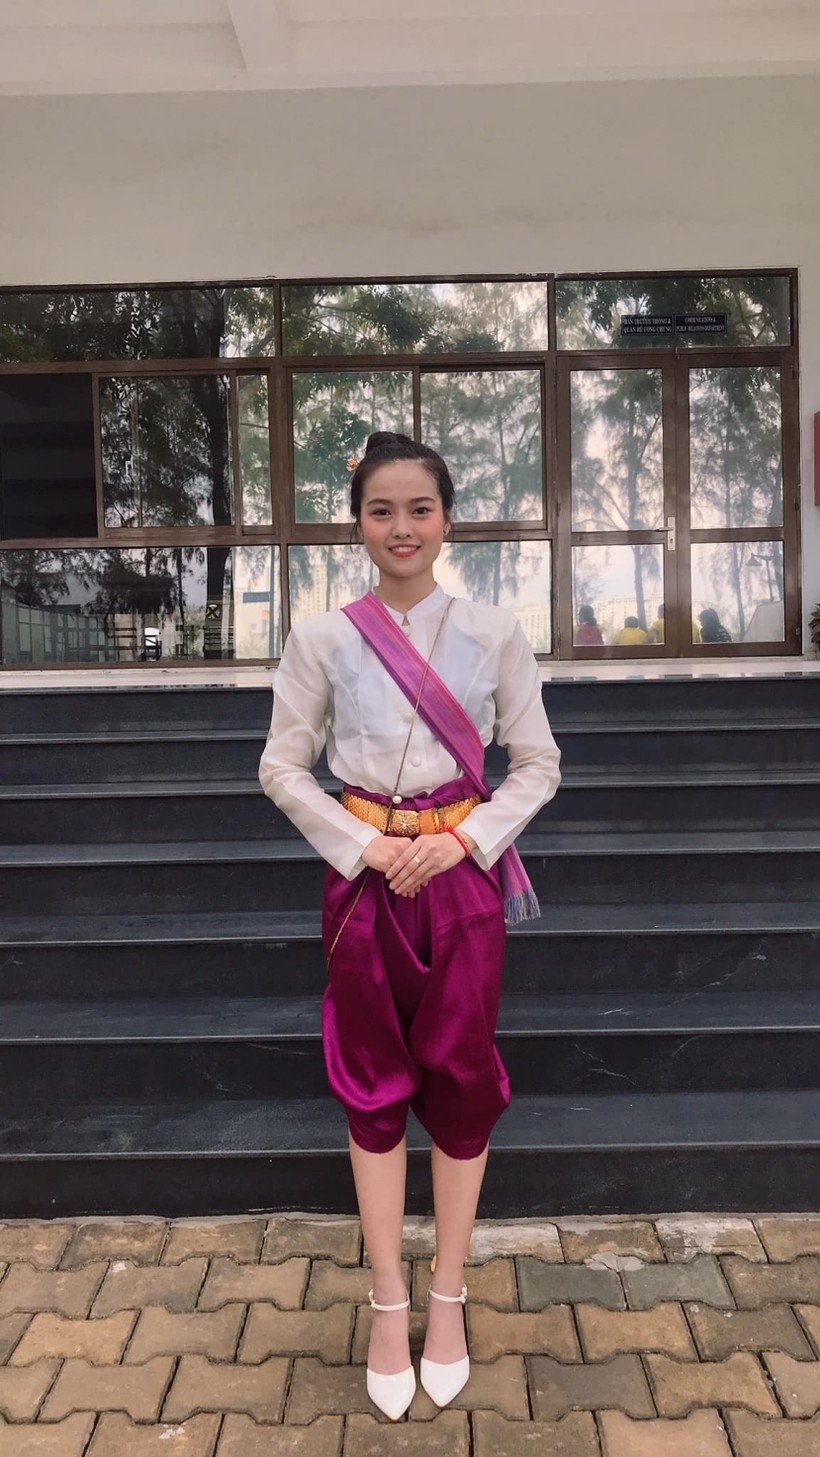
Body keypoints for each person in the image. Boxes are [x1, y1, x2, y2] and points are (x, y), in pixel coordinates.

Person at [259, 431, 561, 1420]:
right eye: (381, 509)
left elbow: (538, 763)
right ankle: (388, 1298)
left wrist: (465, 839)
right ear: (357, 522)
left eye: (419, 509)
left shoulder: (493, 632)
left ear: (446, 520)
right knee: (372, 1079)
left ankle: (448, 1295)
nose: (401, 527)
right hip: (363, 887)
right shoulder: (322, 639)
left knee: (462, 1080)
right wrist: (366, 847)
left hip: (461, 879)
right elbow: (282, 765)